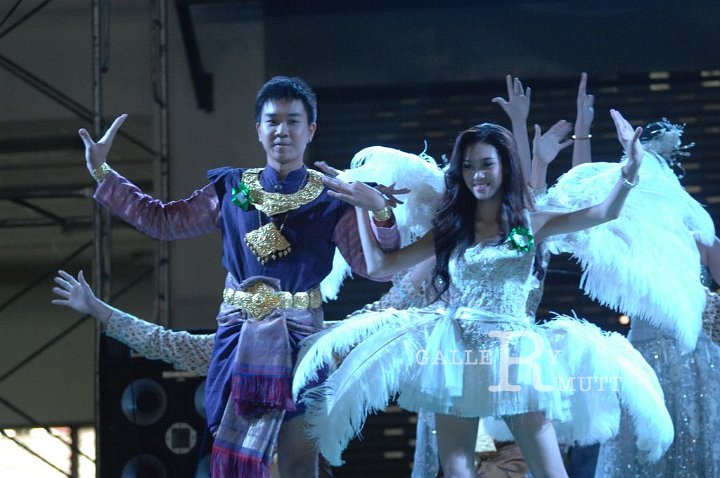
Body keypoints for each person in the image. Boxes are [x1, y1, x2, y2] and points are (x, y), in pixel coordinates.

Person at [292, 110, 674, 478]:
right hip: (457, 352)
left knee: (550, 470)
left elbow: (603, 213)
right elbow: (379, 266)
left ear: (504, 166)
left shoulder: (530, 222)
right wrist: (365, 208)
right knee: (458, 469)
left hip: (516, 353)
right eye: (469, 166)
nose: (477, 174)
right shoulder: (452, 227)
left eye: (486, 164)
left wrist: (630, 169)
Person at [77, 76, 402, 478]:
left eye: (293, 121)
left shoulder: (333, 196)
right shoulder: (230, 187)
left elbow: (374, 266)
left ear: (311, 130)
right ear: (259, 129)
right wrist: (103, 172)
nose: (282, 130)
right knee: (238, 465)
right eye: (273, 121)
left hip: (301, 342)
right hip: (238, 338)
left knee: (300, 463)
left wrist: (379, 211)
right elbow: (163, 221)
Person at [590, 119, 720, 478]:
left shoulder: (699, 235)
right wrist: (583, 130)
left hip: (699, 357)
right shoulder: (630, 237)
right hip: (647, 358)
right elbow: (591, 213)